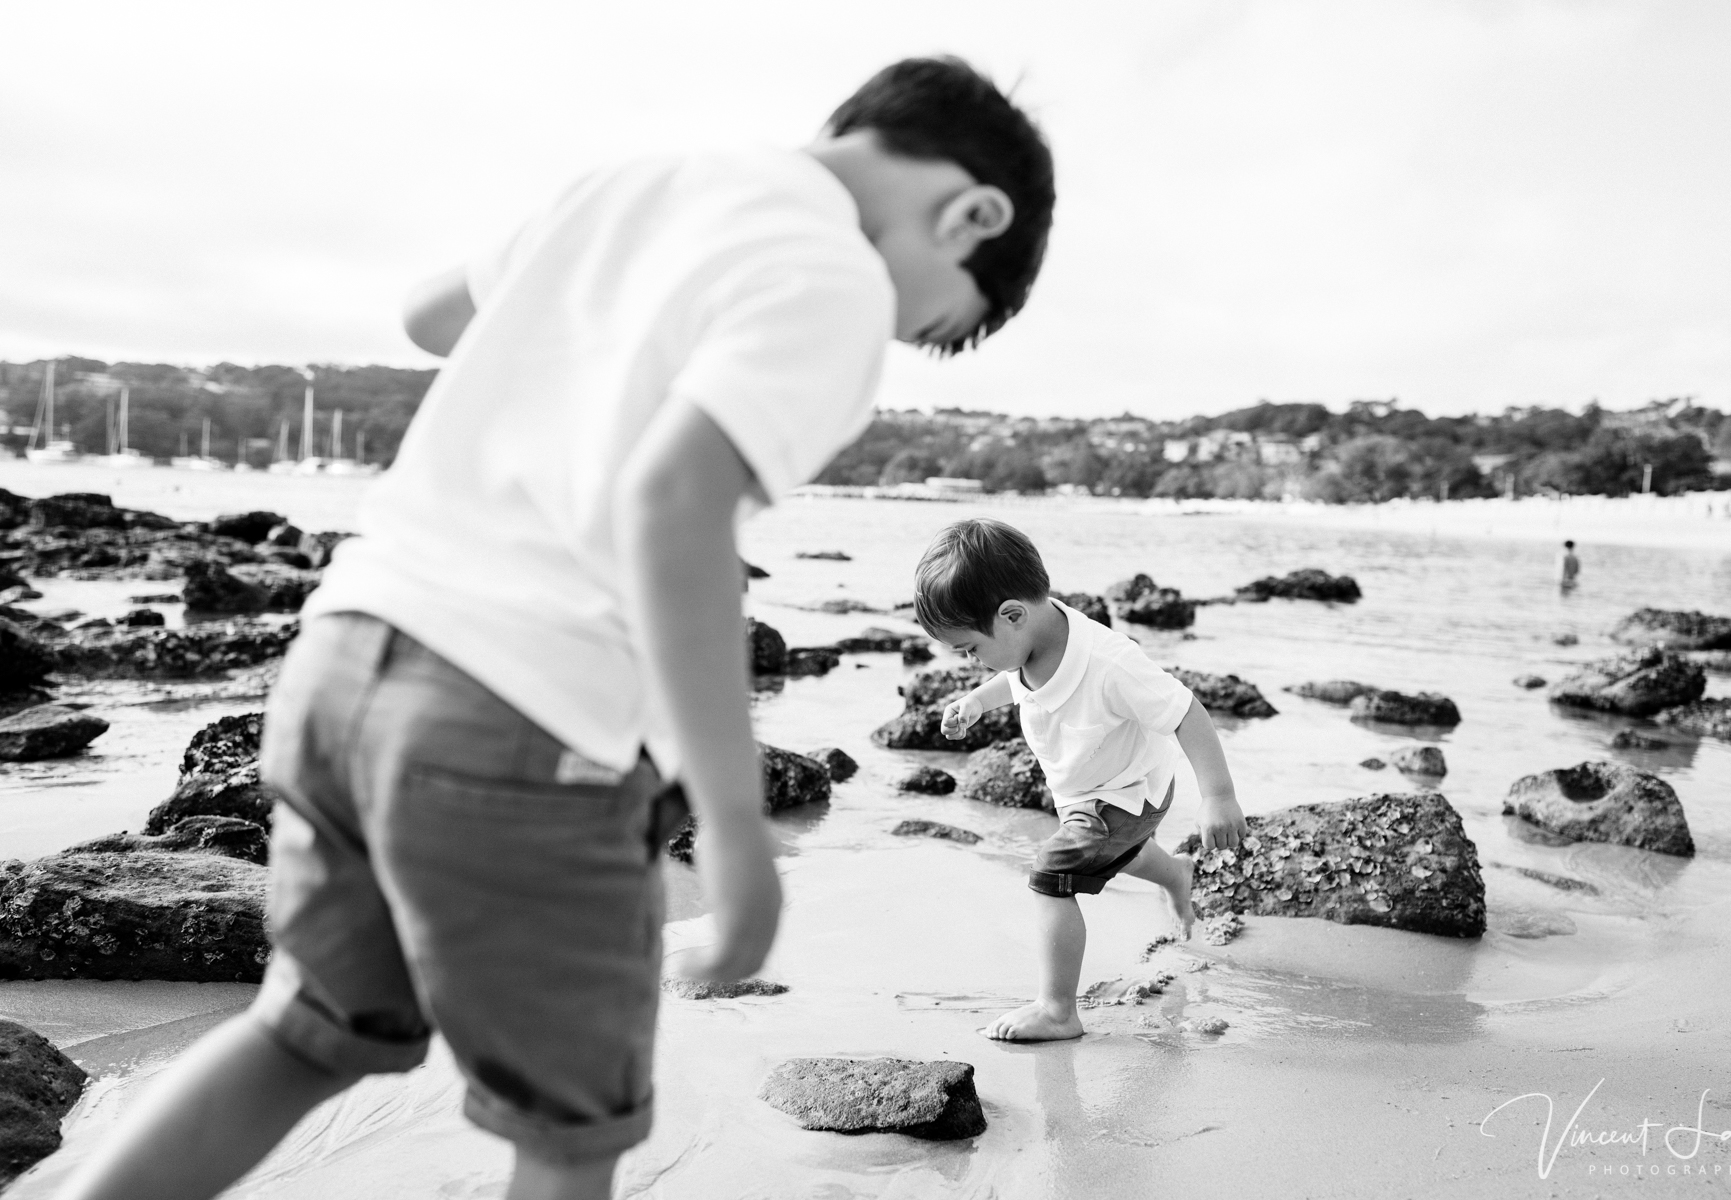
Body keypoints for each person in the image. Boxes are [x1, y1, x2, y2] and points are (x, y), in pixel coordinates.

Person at [56, 57, 1054, 1200]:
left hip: (345, 661)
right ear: (974, 213)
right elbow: (670, 505)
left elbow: (429, 314)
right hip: (518, 719)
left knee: (310, 1032)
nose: (904, 331)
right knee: (572, 1135)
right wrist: (730, 819)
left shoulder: (637, 180)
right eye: (936, 319)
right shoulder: (834, 278)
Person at [918, 518, 1247, 1043]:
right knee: (1119, 852)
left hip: (1128, 793)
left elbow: (1187, 711)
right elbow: (1016, 678)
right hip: (1091, 790)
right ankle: (1175, 875)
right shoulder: (1031, 639)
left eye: (968, 648)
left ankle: (1057, 1010)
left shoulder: (1110, 663)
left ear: (1012, 615)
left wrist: (1218, 796)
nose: (969, 659)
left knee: (1052, 877)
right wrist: (978, 700)